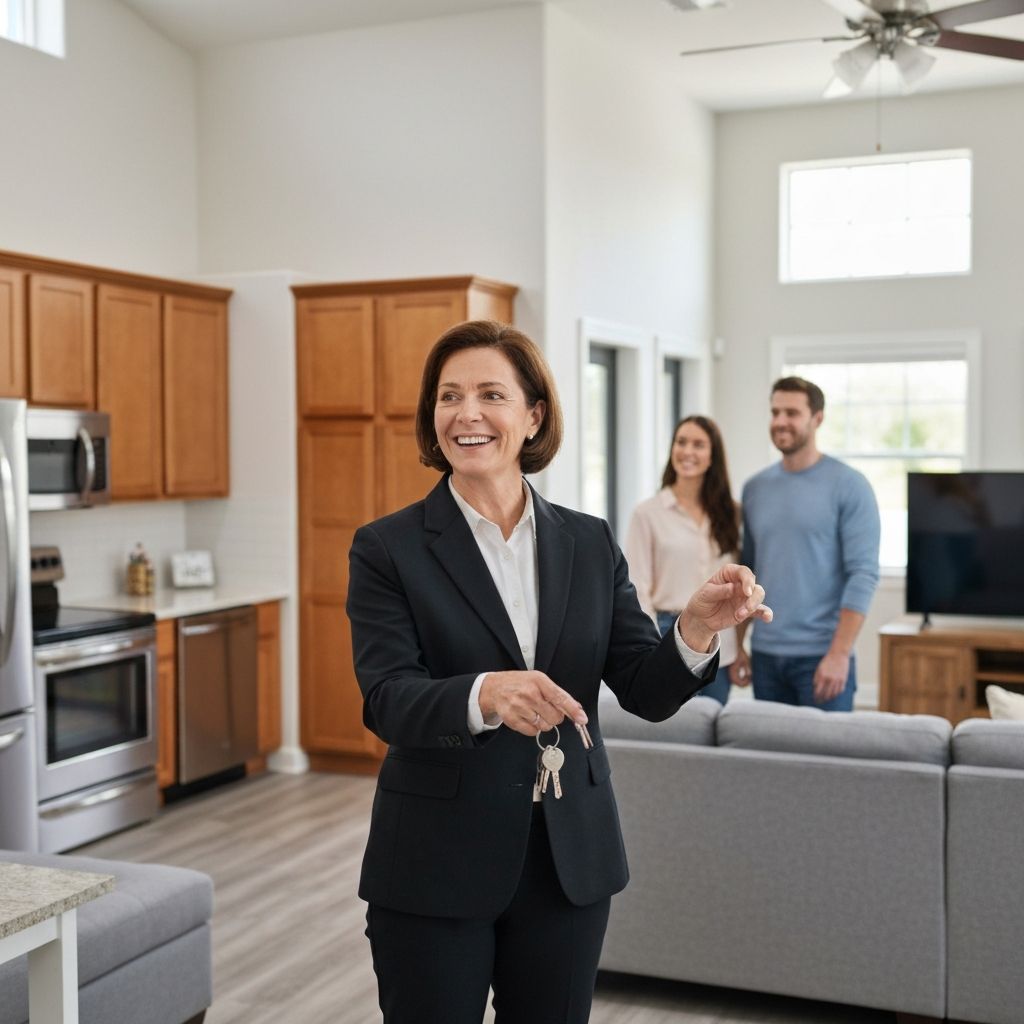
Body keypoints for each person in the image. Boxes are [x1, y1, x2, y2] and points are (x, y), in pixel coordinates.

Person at [346, 320, 772, 1024]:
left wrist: (695, 629)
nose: (467, 414)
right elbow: (387, 700)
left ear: (534, 415)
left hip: (570, 860)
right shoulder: (387, 549)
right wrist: (486, 694)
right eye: (449, 396)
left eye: (491, 394)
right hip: (434, 863)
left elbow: (644, 689)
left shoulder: (590, 541)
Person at [733, 376, 880, 711]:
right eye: (775, 412)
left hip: (822, 657)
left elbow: (863, 574)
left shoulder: (850, 485)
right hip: (766, 655)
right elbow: (748, 572)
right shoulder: (755, 488)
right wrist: (739, 645)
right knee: (767, 748)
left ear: (818, 418)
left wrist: (839, 654)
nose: (780, 421)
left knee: (827, 749)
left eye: (792, 413)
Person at [625, 415, 743, 704]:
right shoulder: (647, 513)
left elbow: (739, 583)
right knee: (673, 723)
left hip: (720, 639)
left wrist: (741, 647)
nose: (687, 451)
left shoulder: (731, 512)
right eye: (681, 442)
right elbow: (637, 587)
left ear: (712, 456)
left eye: (698, 444)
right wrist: (651, 647)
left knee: (713, 720)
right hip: (668, 632)